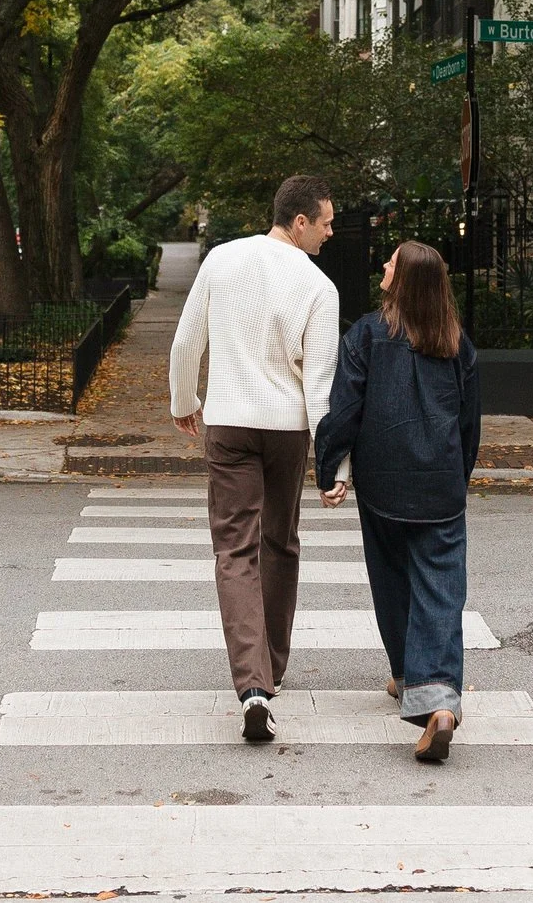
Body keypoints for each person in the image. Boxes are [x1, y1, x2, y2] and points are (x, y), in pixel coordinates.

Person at [168, 174, 342, 743]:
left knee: (234, 550)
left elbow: (187, 340)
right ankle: (274, 664)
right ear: (299, 223)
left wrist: (183, 400)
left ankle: (253, 686)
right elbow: (321, 389)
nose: (330, 232)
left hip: (229, 422)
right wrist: (333, 464)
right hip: (287, 428)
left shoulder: (221, 260)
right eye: (326, 222)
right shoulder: (320, 288)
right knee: (280, 541)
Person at [313, 239, 479, 764]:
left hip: (384, 483)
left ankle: (413, 678)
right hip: (441, 484)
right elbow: (469, 423)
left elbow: (345, 409)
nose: (383, 265)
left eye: (391, 262)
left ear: (403, 279)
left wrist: (329, 465)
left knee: (391, 579)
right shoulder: (457, 342)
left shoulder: (366, 334)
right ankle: (437, 697)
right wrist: (459, 475)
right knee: (441, 587)